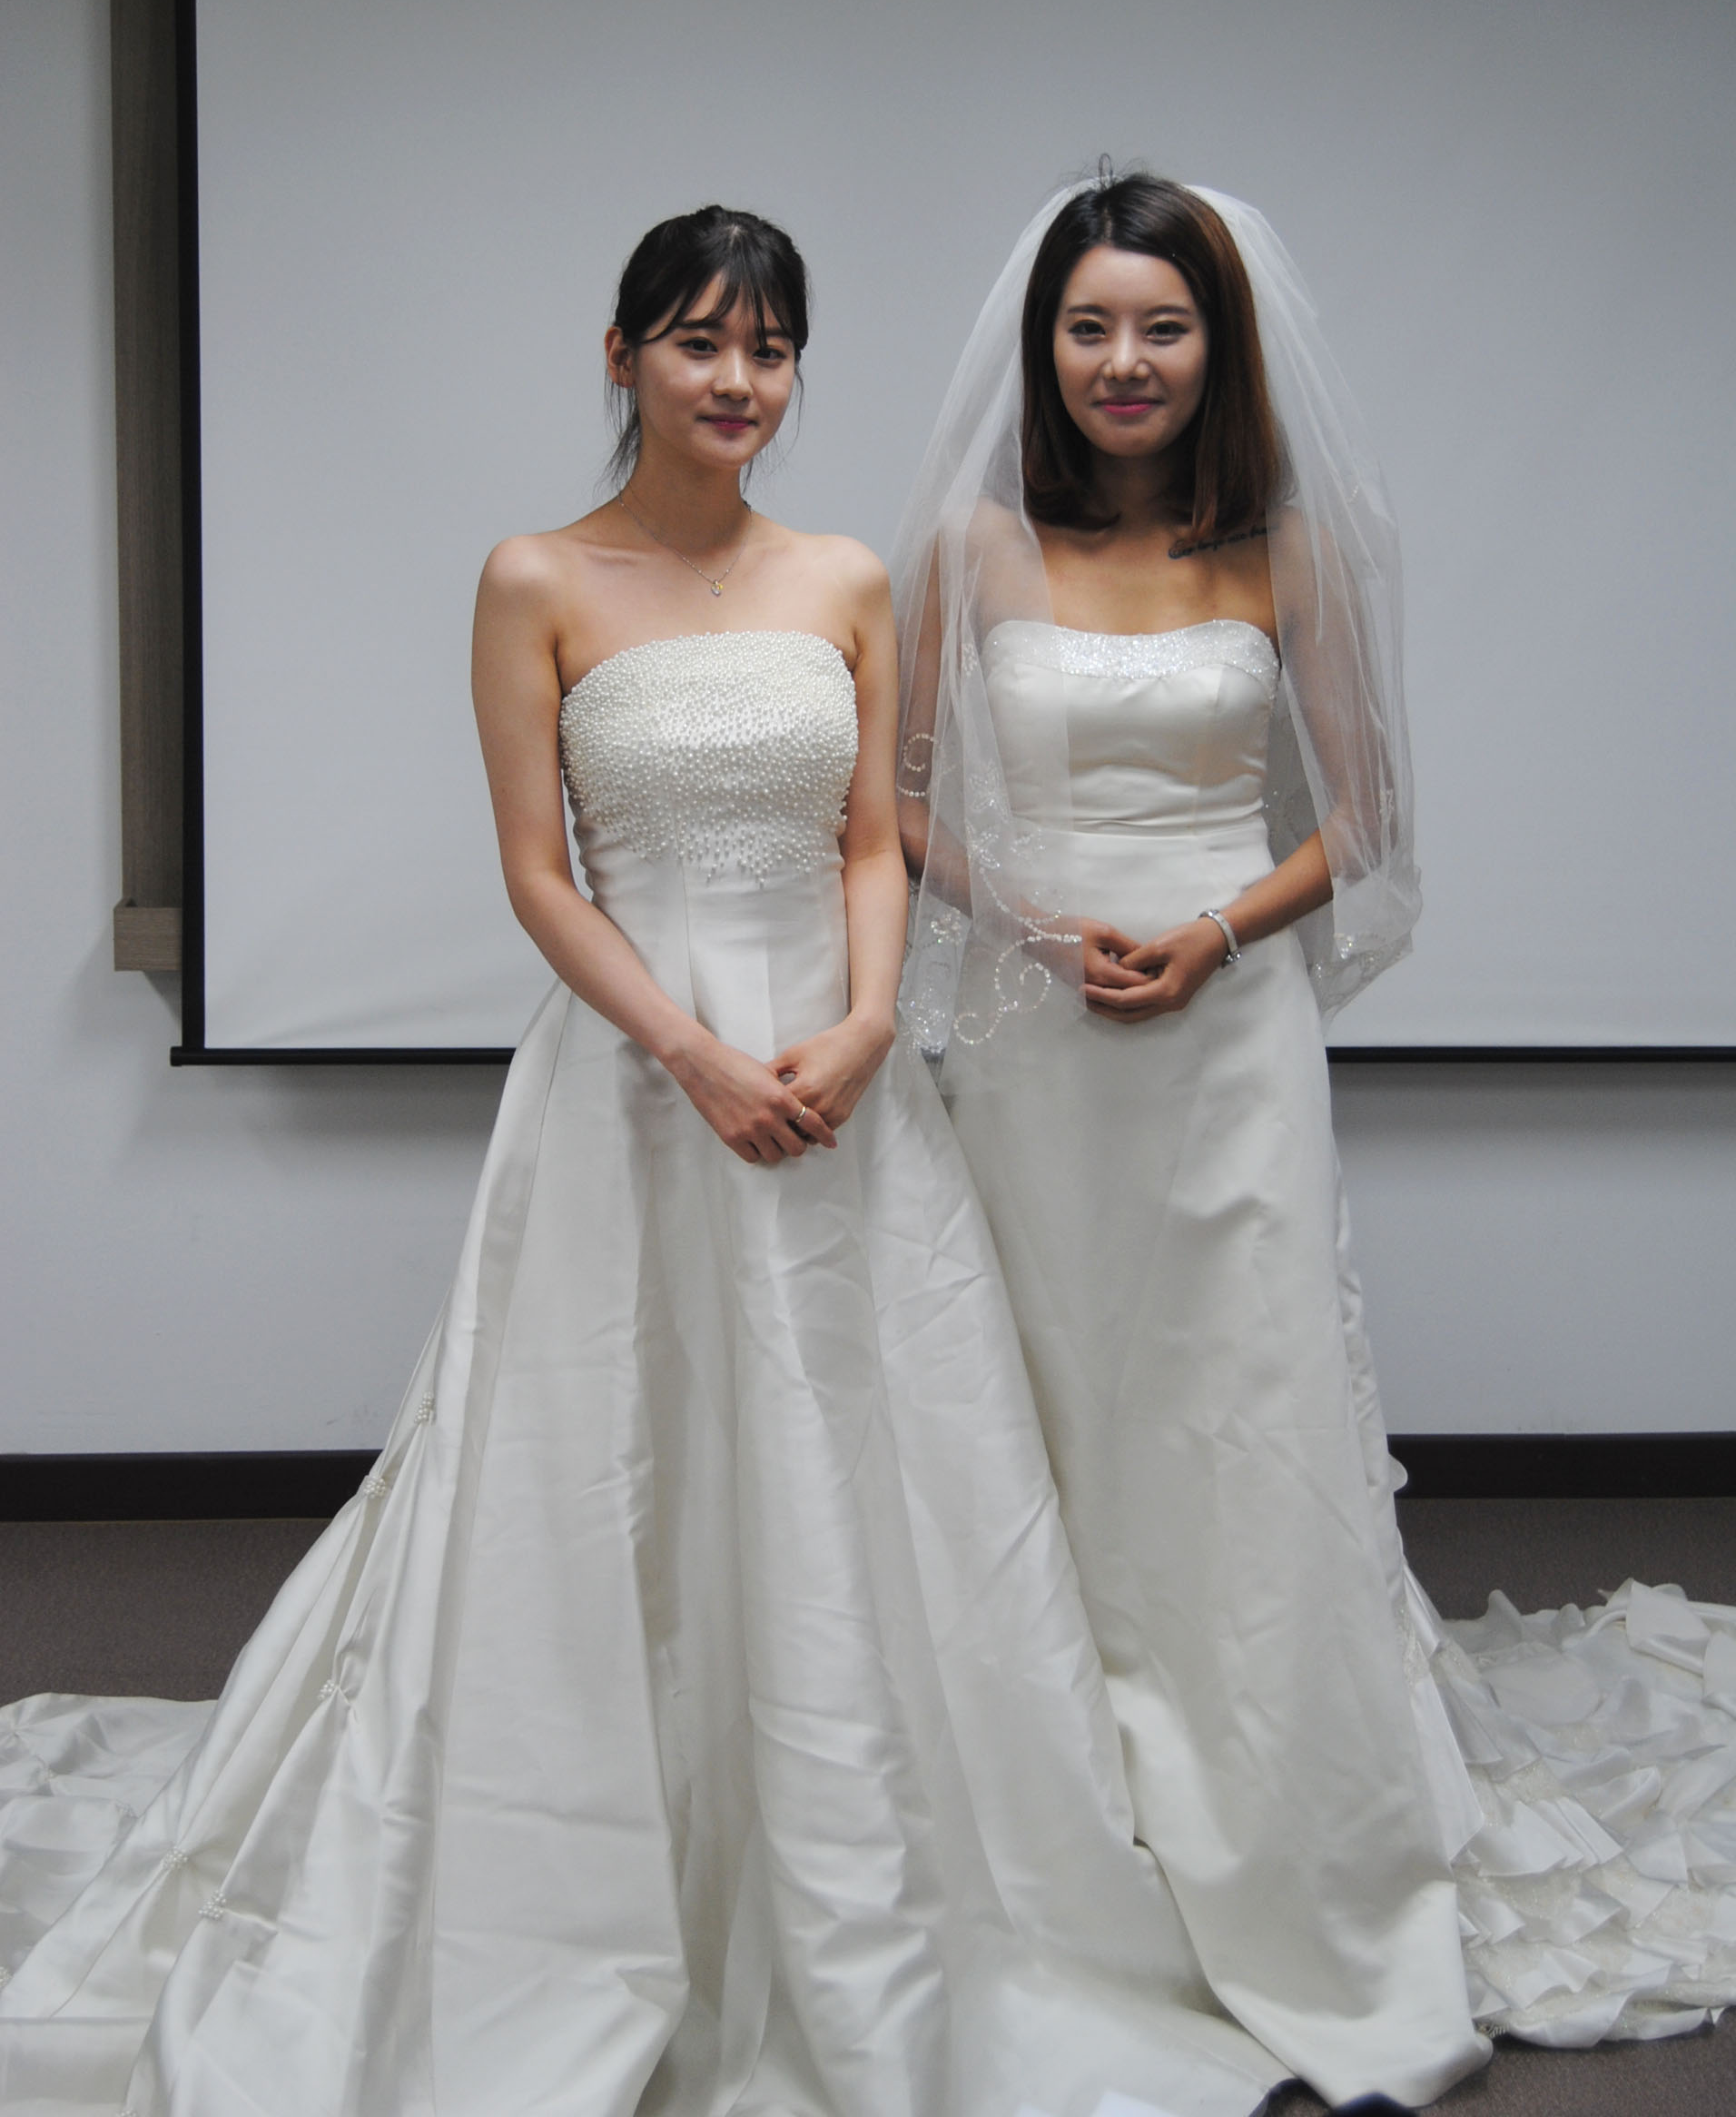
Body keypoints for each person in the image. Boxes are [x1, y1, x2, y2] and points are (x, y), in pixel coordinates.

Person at [0, 206, 1288, 2117]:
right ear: (623, 358)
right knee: (615, 1462)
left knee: (870, 1473)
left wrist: (867, 1023)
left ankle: (895, 1891)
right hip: (634, 1076)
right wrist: (687, 1051)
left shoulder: (848, 575)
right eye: (699, 343)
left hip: (839, 1080)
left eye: (769, 350)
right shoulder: (535, 577)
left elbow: (874, 837)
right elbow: (538, 873)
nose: (738, 382)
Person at [893, 171, 1736, 2108]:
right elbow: (900, 799)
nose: (1125, 360)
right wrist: (1030, 924)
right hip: (1038, 1039)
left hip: (1228, 1038)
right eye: (1091, 326)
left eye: (1163, 325)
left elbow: (1362, 822)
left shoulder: (1283, 547)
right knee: (1045, 1395)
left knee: (1243, 1398)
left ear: (1221, 346)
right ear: (1045, 347)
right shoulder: (967, 543)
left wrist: (1213, 932)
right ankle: (1058, 1796)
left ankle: (1280, 1783)